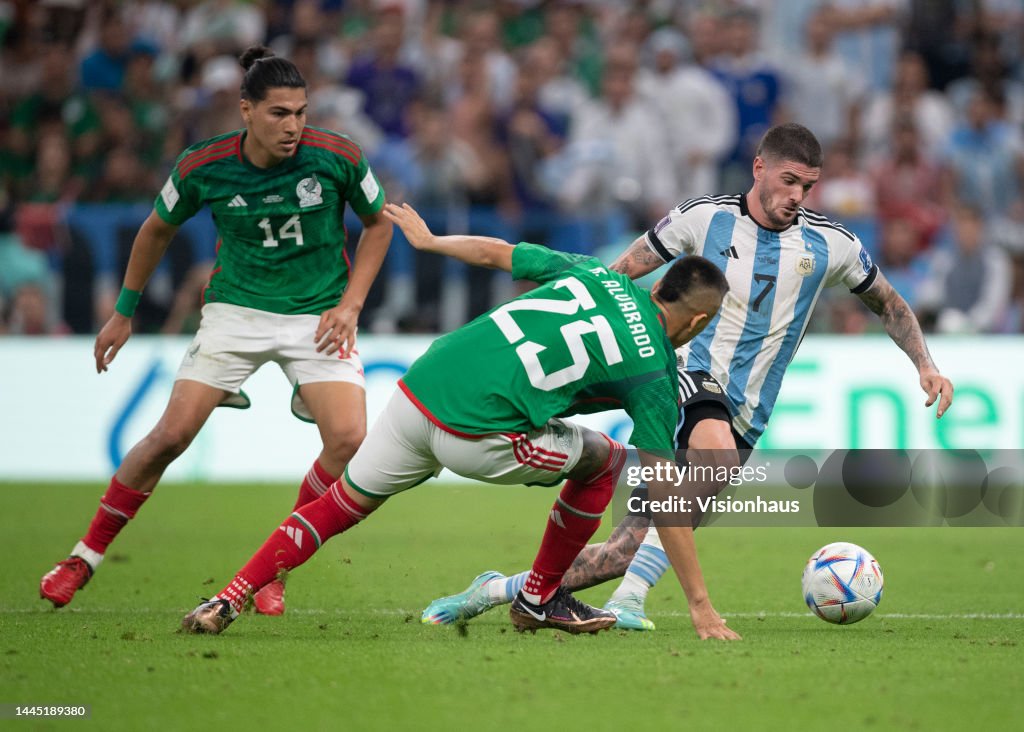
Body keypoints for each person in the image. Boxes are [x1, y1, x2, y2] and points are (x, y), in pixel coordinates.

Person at [423, 123, 954, 632]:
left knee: (623, 552)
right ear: (759, 167)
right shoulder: (703, 217)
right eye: (789, 181)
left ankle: (497, 589)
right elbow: (619, 274)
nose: (798, 196)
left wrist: (926, 364)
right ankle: (631, 601)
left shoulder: (831, 245)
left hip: (750, 410)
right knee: (714, 458)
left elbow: (887, 302)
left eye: (808, 186)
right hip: (689, 379)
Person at [180, 201, 736, 639]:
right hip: (475, 431)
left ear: (657, 283)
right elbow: (665, 494)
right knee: (606, 462)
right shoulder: (655, 371)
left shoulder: (595, 272)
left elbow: (500, 253)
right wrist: (702, 608)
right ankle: (538, 598)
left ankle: (227, 596)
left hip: (419, 390)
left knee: (337, 507)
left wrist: (429, 241)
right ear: (700, 319)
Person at [39, 46, 392, 617]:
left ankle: (274, 565)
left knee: (350, 441)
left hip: (319, 313)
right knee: (170, 436)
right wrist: (124, 311)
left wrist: (352, 305)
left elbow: (379, 225)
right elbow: (155, 230)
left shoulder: (338, 156)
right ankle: (83, 556)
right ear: (245, 110)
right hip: (236, 312)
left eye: (301, 112)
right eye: (279, 113)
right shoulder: (202, 165)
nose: (294, 126)